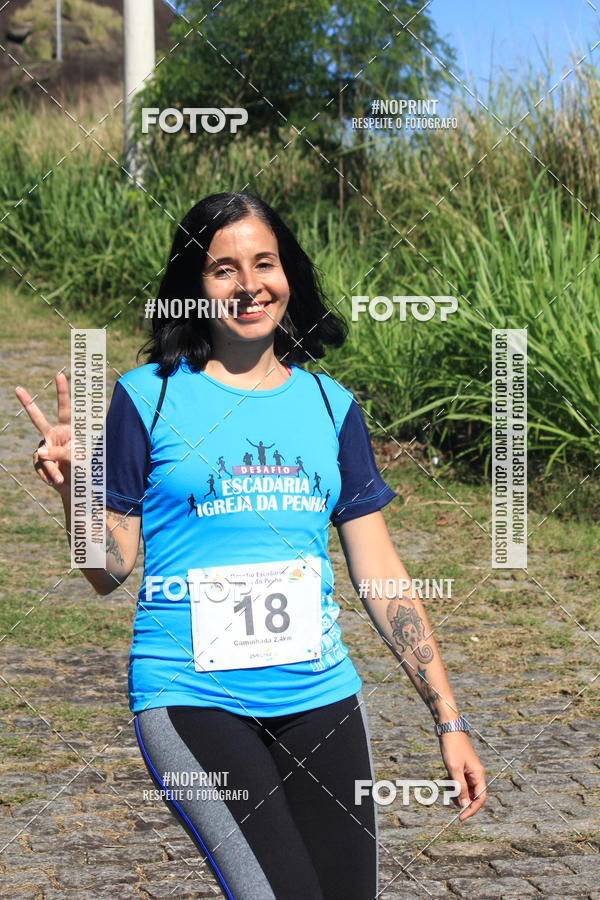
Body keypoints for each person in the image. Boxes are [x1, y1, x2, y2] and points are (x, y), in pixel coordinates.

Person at [17, 191, 486, 899]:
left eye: (263, 263)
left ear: (287, 273)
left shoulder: (331, 406)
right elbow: (109, 570)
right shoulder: (148, 398)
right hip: (192, 698)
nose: (248, 285)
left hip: (321, 698)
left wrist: (448, 717)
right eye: (222, 269)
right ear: (192, 290)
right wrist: (75, 491)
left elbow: (381, 571)